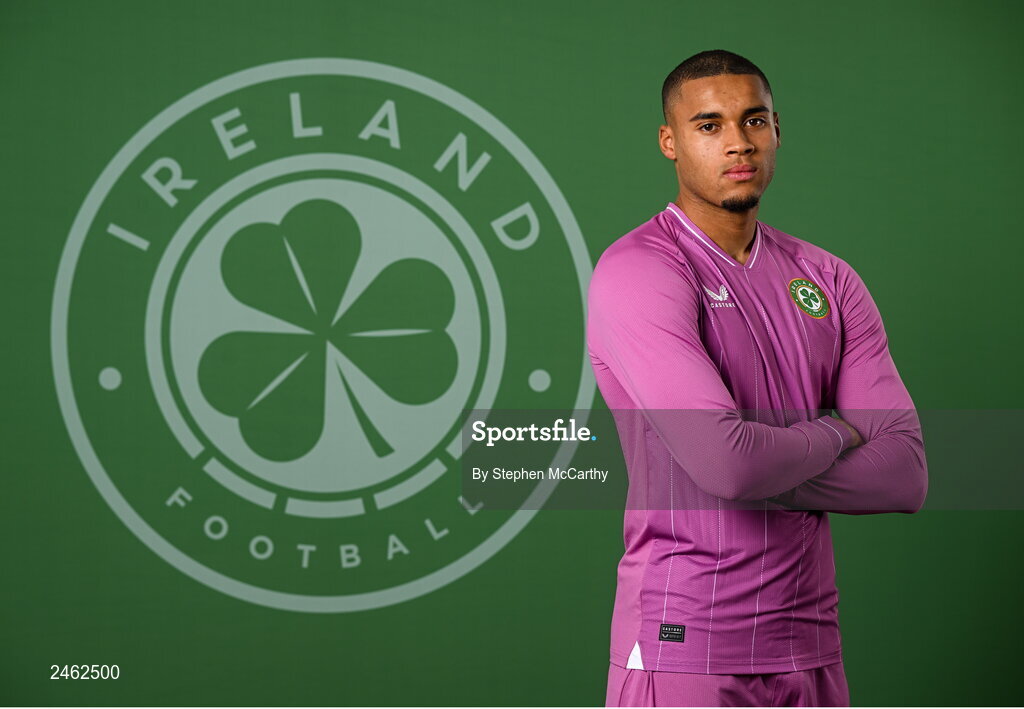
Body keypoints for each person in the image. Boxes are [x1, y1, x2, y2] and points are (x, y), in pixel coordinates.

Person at [587, 49, 928, 707]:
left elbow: (903, 471)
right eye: (709, 125)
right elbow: (727, 464)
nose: (738, 143)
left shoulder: (828, 277)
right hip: (685, 646)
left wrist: (746, 462)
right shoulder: (640, 271)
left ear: (777, 130)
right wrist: (836, 432)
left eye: (754, 121)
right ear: (670, 141)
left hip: (810, 643)